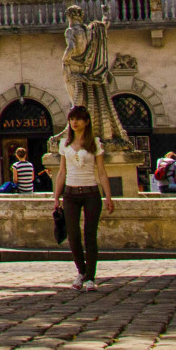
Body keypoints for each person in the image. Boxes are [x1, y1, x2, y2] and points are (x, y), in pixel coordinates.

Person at [52, 105, 117, 291]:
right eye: (72, 119)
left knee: (90, 235)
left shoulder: (94, 143)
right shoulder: (64, 143)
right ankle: (80, 271)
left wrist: (108, 197)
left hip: (91, 192)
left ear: (86, 122)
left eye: (78, 119)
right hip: (71, 194)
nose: (74, 122)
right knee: (73, 235)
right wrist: (56, 196)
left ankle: (90, 276)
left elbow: (102, 172)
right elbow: (62, 172)